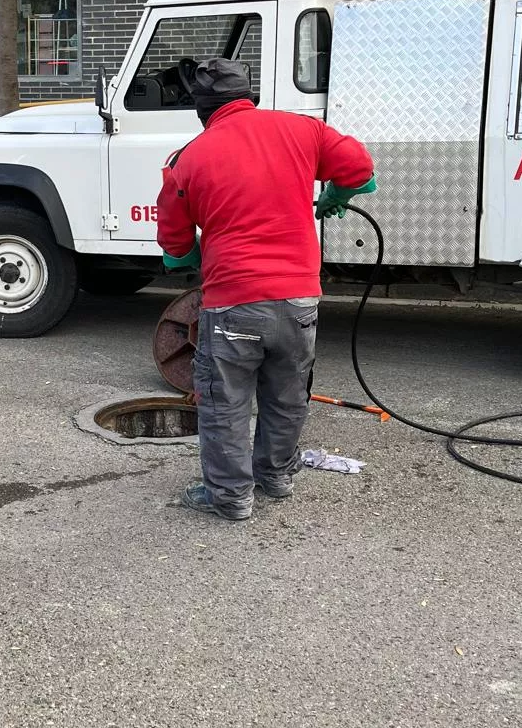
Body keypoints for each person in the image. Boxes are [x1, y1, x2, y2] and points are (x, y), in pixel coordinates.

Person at [156, 56, 376, 521]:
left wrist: (201, 258)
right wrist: (335, 196)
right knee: (287, 393)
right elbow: (360, 169)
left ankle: (231, 498)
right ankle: (275, 478)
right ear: (247, 95)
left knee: (225, 402)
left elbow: (174, 248)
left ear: (202, 109)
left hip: (233, 302)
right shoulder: (303, 130)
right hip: (299, 300)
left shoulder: (187, 159)